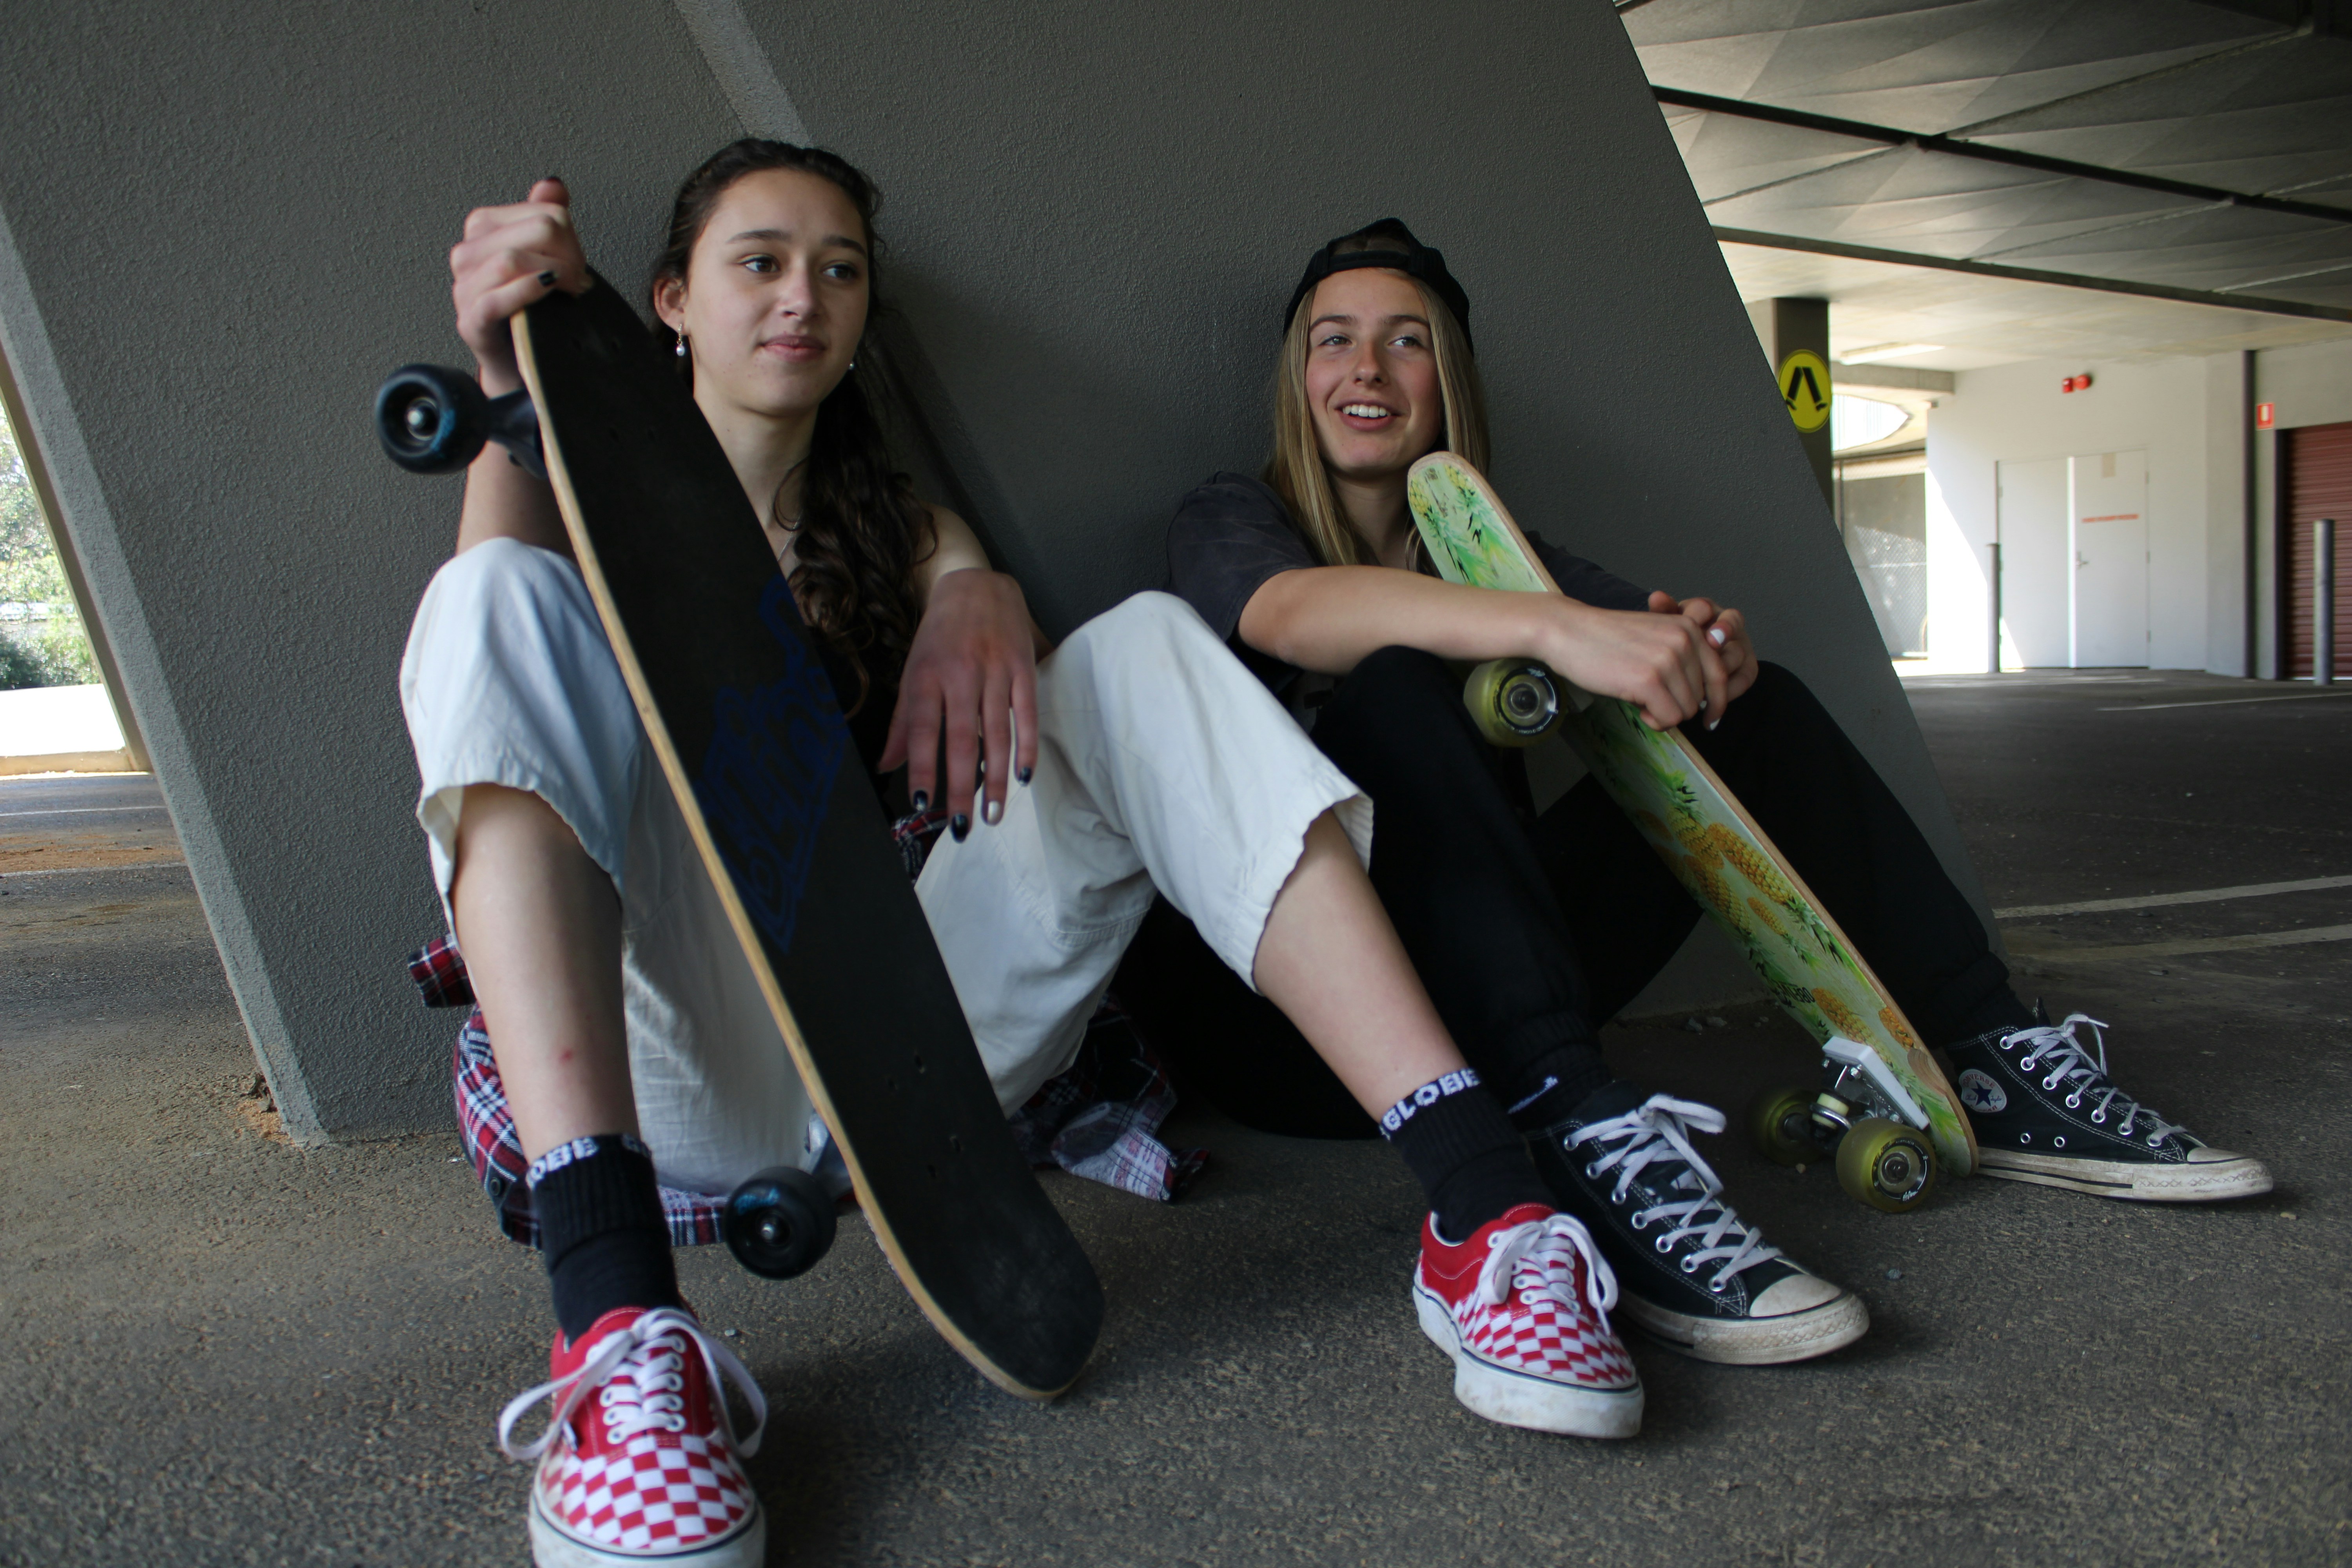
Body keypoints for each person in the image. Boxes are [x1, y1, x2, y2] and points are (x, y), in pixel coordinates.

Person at [407, 152, 1657, 1568]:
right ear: (669, 300)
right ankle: (618, 1330)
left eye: (838, 268)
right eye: (758, 261)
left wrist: (974, 586)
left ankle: (1485, 1213)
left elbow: (1056, 745)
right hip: (676, 1053)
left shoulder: (906, 534)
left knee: (1143, 649)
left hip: (917, 1055)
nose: (802, 298)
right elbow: (491, 648)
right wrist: (519, 370)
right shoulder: (555, 502)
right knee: (491, 594)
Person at [1155, 217, 2273, 1370]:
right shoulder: (1232, 517)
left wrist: (1700, 651)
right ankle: (1575, 1128)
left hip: (1495, 991)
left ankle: (1984, 1050)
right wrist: (1555, 628)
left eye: (1406, 343)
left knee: (1765, 710)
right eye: (1335, 341)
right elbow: (1285, 614)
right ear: (1300, 377)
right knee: (1393, 681)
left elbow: (1649, 637)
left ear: (1449, 382)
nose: (1368, 371)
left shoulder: (1496, 555)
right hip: (1299, 1045)